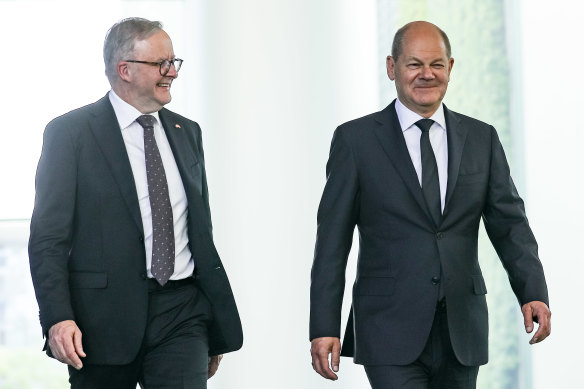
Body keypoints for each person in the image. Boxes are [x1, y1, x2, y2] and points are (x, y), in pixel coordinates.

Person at [309, 21, 550, 388]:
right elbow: (332, 242)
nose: (426, 74)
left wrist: (532, 290)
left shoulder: (481, 138)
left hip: (461, 331)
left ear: (450, 68)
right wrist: (324, 325)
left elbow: (510, 224)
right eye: (414, 64)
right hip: (388, 330)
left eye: (436, 64)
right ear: (392, 67)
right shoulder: (355, 141)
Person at [28, 17, 242, 389]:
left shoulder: (187, 132)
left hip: (182, 312)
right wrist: (57, 317)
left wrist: (212, 320)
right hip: (101, 321)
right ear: (124, 70)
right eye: (161, 63)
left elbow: (199, 229)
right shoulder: (71, 134)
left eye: (174, 62)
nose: (172, 72)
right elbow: (48, 238)